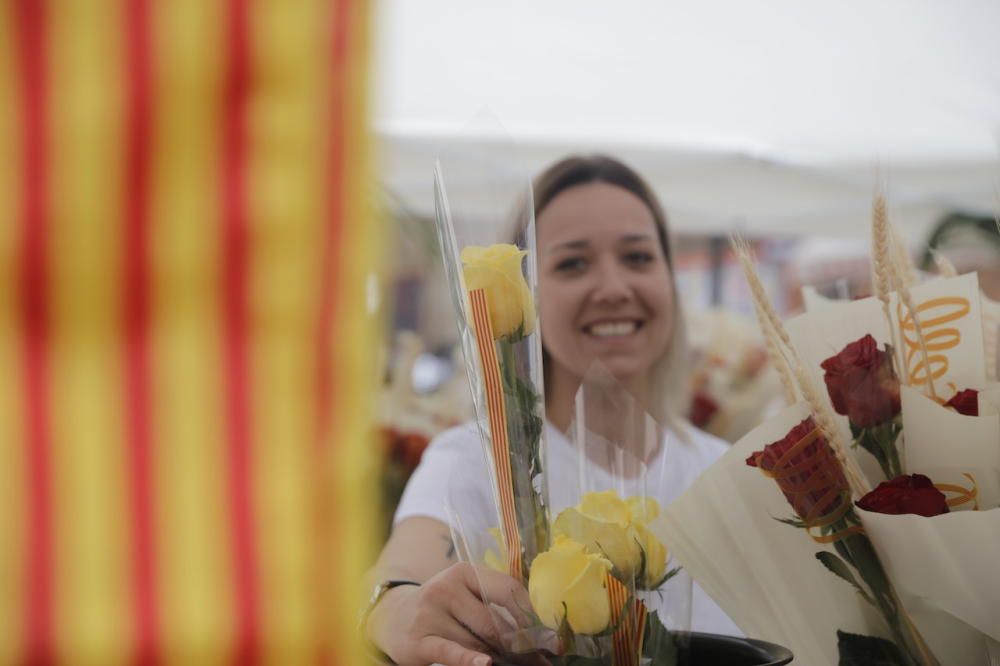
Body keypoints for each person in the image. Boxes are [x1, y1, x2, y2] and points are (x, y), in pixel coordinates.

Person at [365, 155, 740, 666]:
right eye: (572, 263)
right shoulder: (476, 463)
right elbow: (400, 576)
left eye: (637, 258)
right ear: (528, 294)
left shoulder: (732, 472)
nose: (612, 287)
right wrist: (393, 606)